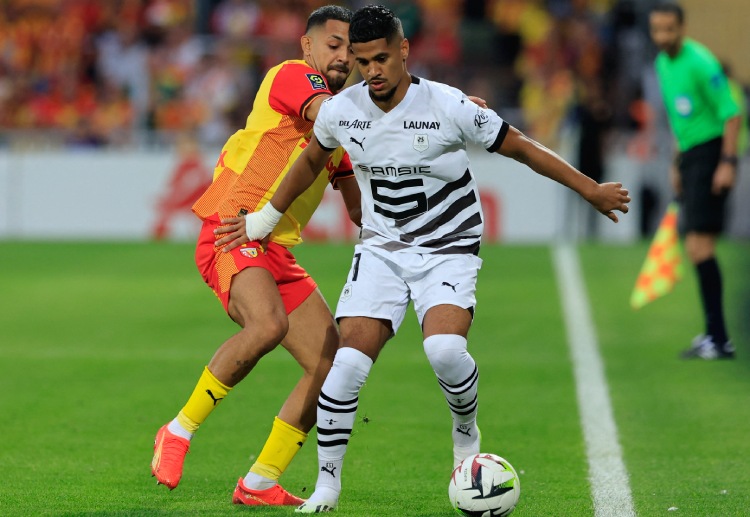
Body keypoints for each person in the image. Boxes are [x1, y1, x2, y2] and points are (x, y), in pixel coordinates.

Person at [217, 5, 631, 512]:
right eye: (362, 60)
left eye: (382, 59)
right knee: (345, 365)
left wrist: (589, 190)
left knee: (445, 353)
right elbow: (308, 162)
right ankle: (327, 486)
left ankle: (465, 432)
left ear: (405, 50)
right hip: (382, 250)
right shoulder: (343, 110)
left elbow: (519, 146)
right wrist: (262, 220)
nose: (372, 71)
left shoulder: (449, 105)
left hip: (448, 247)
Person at [150, 5, 362, 506]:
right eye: (334, 45)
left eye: (352, 49)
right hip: (230, 227)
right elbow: (326, 115)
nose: (344, 57)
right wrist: (411, 107)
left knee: (332, 367)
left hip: (277, 251)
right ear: (308, 47)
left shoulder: (343, 133)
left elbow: (360, 208)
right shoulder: (293, 78)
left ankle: (261, 482)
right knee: (267, 325)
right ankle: (178, 430)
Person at [649, 2, 741, 360]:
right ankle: (715, 335)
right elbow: (678, 119)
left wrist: (728, 162)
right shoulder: (661, 64)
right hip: (691, 156)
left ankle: (719, 339)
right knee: (696, 247)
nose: (663, 37)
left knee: (700, 247)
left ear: (682, 28)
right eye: (657, 30)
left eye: (669, 29)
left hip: (711, 152)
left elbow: (732, 114)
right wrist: (676, 162)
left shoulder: (701, 62)